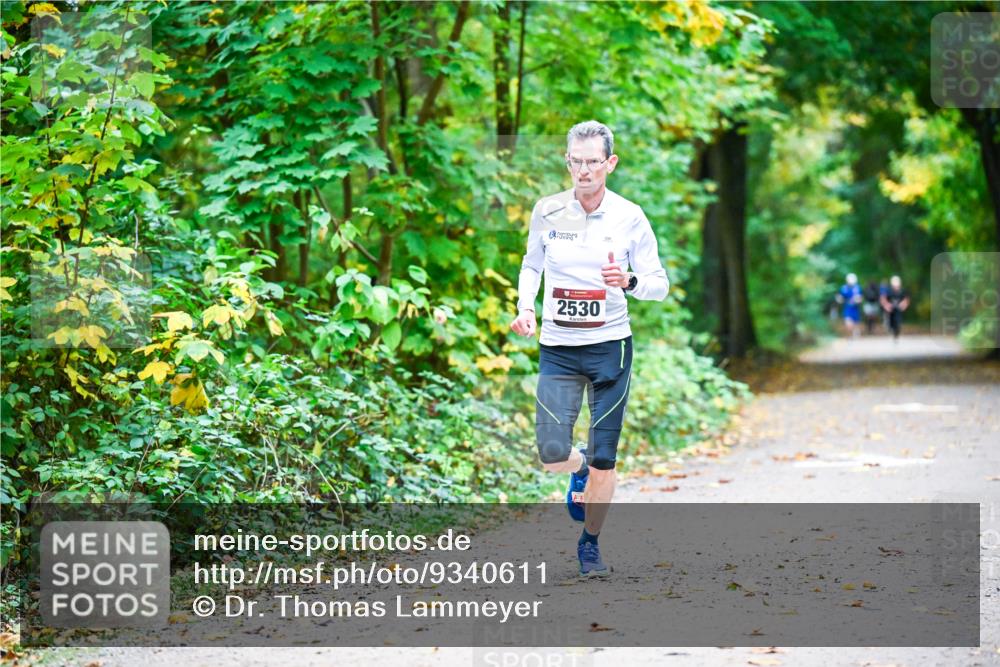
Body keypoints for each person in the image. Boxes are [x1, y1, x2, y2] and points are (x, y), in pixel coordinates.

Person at [509, 120, 668, 577]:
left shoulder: (629, 216)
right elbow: (531, 265)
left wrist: (630, 281)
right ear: (568, 161)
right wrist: (525, 307)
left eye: (592, 162)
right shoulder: (548, 211)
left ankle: (590, 544)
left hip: (610, 348)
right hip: (558, 345)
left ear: (609, 164)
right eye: (575, 162)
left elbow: (658, 285)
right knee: (552, 452)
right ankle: (577, 470)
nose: (583, 171)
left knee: (605, 454)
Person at [880, 275, 910, 340]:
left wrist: (904, 305)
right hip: (891, 310)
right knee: (891, 323)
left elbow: (906, 299)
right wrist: (886, 305)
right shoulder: (889, 291)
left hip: (898, 310)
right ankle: (892, 330)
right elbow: (883, 299)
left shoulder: (902, 291)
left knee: (898, 322)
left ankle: (897, 332)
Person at [835, 273, 863, 338]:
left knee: (856, 321)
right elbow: (840, 297)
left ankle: (855, 332)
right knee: (848, 322)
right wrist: (839, 299)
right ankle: (851, 332)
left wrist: (858, 300)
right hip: (847, 307)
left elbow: (860, 298)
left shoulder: (857, 288)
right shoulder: (844, 288)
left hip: (855, 308)